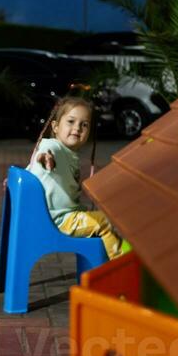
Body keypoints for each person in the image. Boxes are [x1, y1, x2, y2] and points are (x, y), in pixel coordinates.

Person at [27, 95, 127, 258]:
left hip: (63, 215)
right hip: (57, 219)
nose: (78, 128)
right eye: (71, 121)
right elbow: (43, 151)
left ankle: (104, 261)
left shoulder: (70, 154)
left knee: (100, 218)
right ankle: (119, 265)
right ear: (55, 127)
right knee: (104, 221)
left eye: (84, 124)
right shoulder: (53, 147)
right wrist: (44, 157)